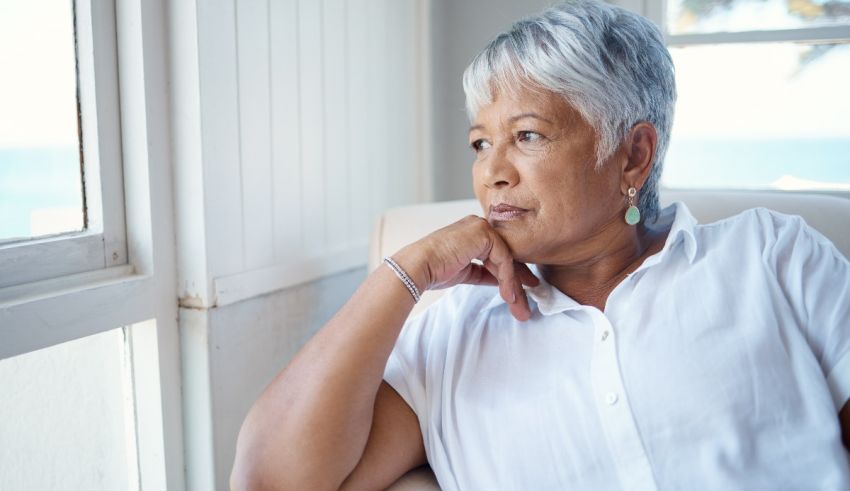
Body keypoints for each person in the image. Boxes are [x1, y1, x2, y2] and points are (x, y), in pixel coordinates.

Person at [230, 0, 850, 489]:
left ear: (632, 154)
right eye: (480, 143)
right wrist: (404, 272)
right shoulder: (447, 334)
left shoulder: (770, 257)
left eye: (527, 135)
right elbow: (269, 483)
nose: (491, 172)